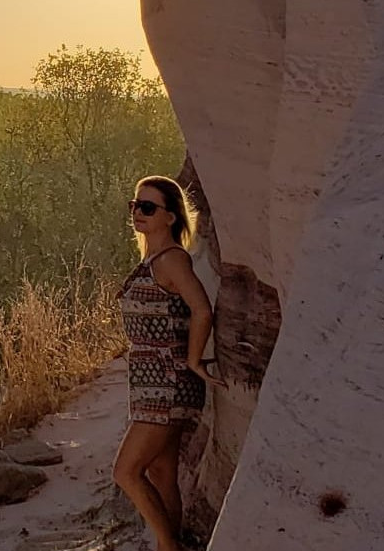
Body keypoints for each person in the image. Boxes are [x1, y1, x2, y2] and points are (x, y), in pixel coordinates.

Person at [112, 175, 226, 551]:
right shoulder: (153, 259)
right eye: (135, 206)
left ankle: (169, 545)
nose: (137, 214)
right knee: (162, 473)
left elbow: (202, 310)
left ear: (171, 218)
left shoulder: (173, 260)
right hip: (149, 382)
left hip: (166, 382)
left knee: (126, 471)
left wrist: (193, 360)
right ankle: (168, 545)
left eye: (147, 208)